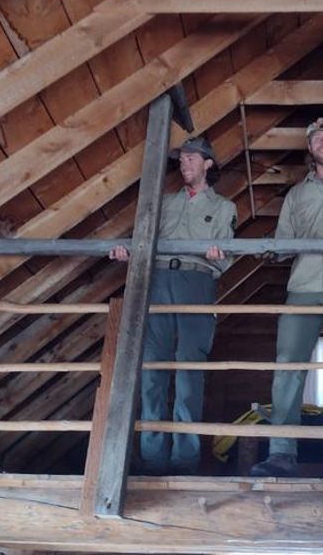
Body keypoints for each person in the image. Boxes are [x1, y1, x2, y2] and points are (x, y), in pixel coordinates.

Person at [250, 117, 323, 478]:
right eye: (317, 137)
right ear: (309, 147)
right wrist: (271, 250)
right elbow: (285, 243)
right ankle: (282, 450)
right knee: (288, 364)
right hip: (302, 284)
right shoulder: (296, 195)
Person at [109, 136, 237, 475]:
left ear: (208, 164)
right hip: (158, 282)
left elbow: (229, 257)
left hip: (197, 282)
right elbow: (142, 241)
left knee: (189, 374)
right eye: (182, 160)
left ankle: (185, 460)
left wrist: (217, 256)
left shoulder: (224, 208)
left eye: (192, 159)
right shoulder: (162, 203)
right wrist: (126, 251)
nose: (185, 165)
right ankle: (151, 458)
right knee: (152, 371)